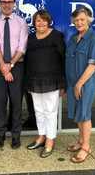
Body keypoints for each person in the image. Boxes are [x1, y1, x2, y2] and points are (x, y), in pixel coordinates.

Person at [0, 0, 28, 149]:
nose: (6, 5)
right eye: (3, 2)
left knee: (16, 101)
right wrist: (3, 66)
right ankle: (1, 133)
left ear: (14, 4)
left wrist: (10, 65)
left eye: (9, 2)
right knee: (0, 100)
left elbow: (22, 46)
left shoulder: (21, 22)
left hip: (17, 65)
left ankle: (16, 134)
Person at [25, 10, 66, 158]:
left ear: (49, 21)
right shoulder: (30, 38)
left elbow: (63, 60)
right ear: (34, 23)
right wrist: (27, 82)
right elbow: (28, 61)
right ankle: (41, 136)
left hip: (52, 81)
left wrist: (63, 83)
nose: (40, 23)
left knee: (50, 111)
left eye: (43, 20)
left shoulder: (56, 36)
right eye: (37, 20)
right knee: (38, 111)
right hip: (34, 81)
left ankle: (50, 140)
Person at [65, 6, 95, 163]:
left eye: (82, 19)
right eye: (76, 20)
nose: (79, 22)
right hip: (73, 84)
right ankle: (80, 141)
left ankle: (86, 147)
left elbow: (93, 65)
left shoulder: (94, 39)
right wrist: (71, 84)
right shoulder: (73, 39)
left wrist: (79, 84)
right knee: (78, 114)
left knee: (84, 114)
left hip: (84, 84)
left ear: (89, 19)